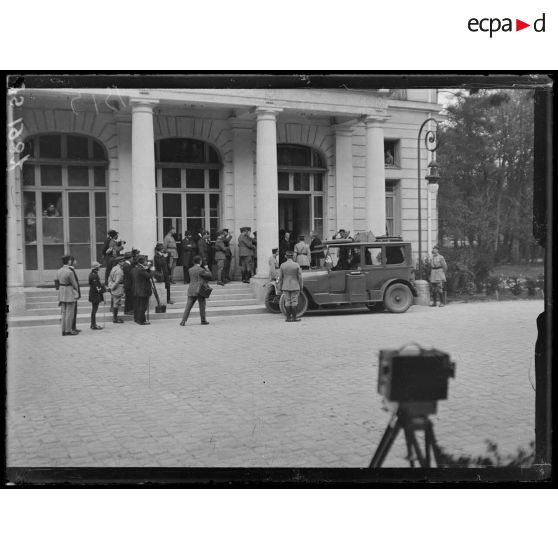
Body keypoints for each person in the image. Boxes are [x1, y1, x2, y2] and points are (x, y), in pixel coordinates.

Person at [179, 255, 212, 326]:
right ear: (200, 261)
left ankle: (183, 321)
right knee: (202, 306)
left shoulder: (190, 269)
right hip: (199, 290)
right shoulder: (201, 270)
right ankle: (203, 320)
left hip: (191, 289)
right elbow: (210, 276)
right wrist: (207, 268)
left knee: (188, 307)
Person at [56, 254, 80, 336]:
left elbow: (57, 282)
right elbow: (75, 284)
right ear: (69, 261)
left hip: (61, 292)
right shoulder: (69, 272)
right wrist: (76, 291)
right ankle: (68, 330)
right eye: (70, 260)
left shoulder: (59, 271)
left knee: (63, 312)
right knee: (70, 313)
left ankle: (63, 330)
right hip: (69, 292)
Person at [278, 250, 303, 322]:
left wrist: (279, 287)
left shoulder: (282, 265)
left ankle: (288, 318)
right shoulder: (296, 265)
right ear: (293, 257)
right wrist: (301, 286)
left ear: (286, 256)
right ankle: (294, 318)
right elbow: (300, 277)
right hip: (295, 285)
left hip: (285, 286)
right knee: (294, 301)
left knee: (287, 301)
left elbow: (280, 278)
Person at [132, 256, 154, 325]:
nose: (146, 262)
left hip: (136, 290)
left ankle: (137, 319)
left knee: (138, 305)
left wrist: (147, 269)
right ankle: (141, 320)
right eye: (145, 261)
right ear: (143, 262)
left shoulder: (135, 268)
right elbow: (148, 276)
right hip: (142, 290)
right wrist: (152, 269)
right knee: (143, 306)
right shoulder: (141, 269)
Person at [108, 256, 126, 323]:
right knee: (116, 303)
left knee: (115, 302)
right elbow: (117, 281)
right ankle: (115, 319)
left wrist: (110, 285)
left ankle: (115, 317)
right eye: (122, 261)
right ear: (119, 262)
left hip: (113, 285)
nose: (123, 262)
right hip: (118, 287)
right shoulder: (119, 271)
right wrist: (112, 287)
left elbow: (109, 277)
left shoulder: (114, 268)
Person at [88, 261, 105, 330]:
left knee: (94, 309)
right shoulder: (94, 275)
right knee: (94, 310)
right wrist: (103, 290)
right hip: (95, 294)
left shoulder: (93, 274)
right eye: (99, 267)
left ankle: (93, 324)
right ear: (96, 267)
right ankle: (93, 324)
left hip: (94, 293)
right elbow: (97, 286)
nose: (100, 267)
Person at [68, 256, 81, 333]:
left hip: (74, 294)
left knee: (75, 311)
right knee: (72, 311)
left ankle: (74, 327)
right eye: (75, 261)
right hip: (72, 294)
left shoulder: (72, 270)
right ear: (71, 261)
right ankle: (71, 328)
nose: (76, 262)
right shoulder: (70, 270)